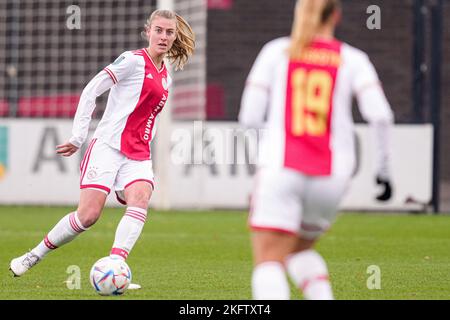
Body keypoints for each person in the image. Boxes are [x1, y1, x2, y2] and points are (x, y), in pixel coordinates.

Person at [10, 10, 195, 280]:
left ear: (175, 35)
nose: (163, 36)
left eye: (169, 32)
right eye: (158, 30)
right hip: (108, 146)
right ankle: (34, 254)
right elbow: (92, 89)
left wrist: (146, 144)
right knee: (88, 215)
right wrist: (77, 136)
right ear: (148, 31)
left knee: (140, 198)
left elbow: (150, 117)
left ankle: (115, 267)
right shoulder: (132, 61)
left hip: (138, 154)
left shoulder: (166, 74)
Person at [239, 0, 394, 300]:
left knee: (269, 261)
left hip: (282, 168)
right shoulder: (353, 59)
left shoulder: (277, 52)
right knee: (299, 251)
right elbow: (381, 117)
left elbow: (249, 117)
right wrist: (383, 172)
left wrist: (264, 160)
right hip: (331, 176)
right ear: (336, 15)